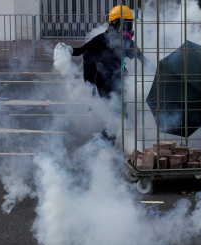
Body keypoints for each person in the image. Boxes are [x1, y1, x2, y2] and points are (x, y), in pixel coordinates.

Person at [57, 5, 142, 146]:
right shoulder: (100, 40)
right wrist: (66, 49)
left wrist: (157, 70)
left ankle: (104, 146)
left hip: (118, 84)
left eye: (130, 24)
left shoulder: (125, 42)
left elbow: (140, 56)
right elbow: (80, 51)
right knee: (119, 119)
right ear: (117, 23)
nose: (129, 28)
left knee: (120, 119)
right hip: (105, 86)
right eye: (127, 24)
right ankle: (98, 146)